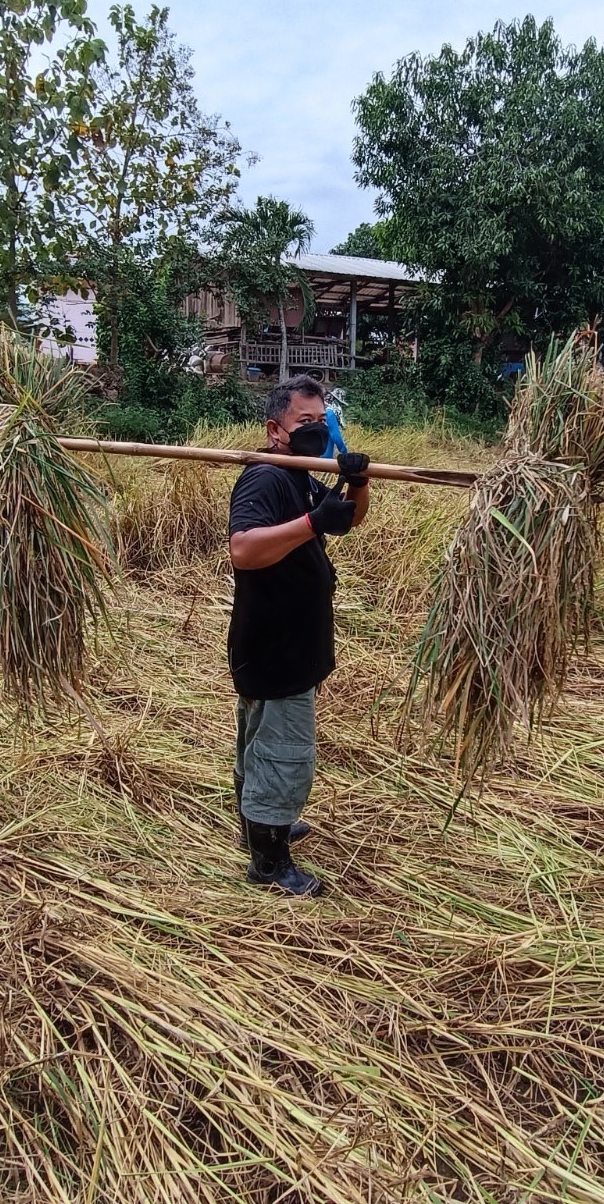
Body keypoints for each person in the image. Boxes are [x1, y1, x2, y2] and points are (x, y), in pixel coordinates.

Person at [227, 374, 371, 896]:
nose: (315, 431)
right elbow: (243, 550)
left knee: (259, 741)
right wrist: (311, 524)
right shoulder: (267, 477)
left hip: (285, 637)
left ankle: (258, 827)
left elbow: (345, 519)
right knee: (285, 754)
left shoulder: (300, 473)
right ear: (275, 430)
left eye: (321, 421)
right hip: (275, 642)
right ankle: (269, 865)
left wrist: (356, 481)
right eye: (302, 422)